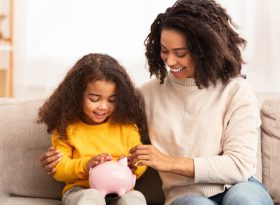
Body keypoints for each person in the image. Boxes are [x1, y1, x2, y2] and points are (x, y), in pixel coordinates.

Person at [40, 0, 274, 205]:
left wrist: (168, 162)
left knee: (244, 199)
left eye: (180, 53)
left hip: (239, 186)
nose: (170, 61)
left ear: (205, 49)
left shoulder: (236, 91)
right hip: (184, 195)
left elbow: (240, 166)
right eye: (164, 50)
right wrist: (61, 158)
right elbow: (104, 122)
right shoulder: (147, 95)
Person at [37, 53, 148, 205]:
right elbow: (59, 168)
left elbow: (141, 161)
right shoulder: (67, 128)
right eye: (94, 99)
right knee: (91, 197)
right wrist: (87, 165)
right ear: (77, 96)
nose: (103, 106)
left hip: (123, 190)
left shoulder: (126, 126)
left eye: (112, 100)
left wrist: (134, 165)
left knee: (136, 199)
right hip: (81, 190)